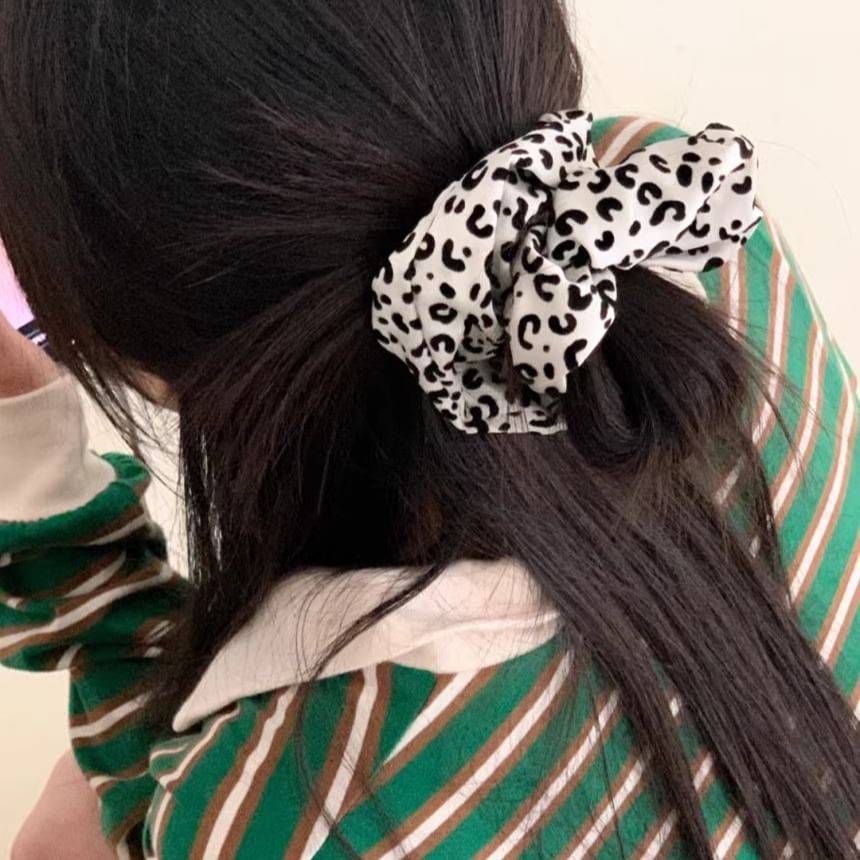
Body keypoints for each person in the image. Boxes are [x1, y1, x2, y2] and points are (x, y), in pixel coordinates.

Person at [1, 1, 857, 858]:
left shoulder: (292, 813)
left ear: (138, 344)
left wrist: (45, 489)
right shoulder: (676, 219)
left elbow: (167, 790)